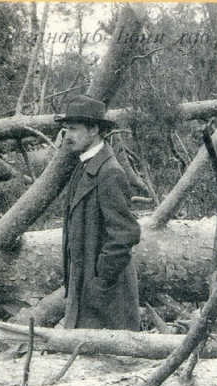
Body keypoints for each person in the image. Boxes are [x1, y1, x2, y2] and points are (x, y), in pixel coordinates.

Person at [56, 95, 141, 331]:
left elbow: (126, 234)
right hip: (88, 291)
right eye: (66, 129)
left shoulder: (109, 172)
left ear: (94, 129)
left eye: (74, 129)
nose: (67, 136)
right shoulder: (84, 165)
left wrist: (100, 281)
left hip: (108, 298)